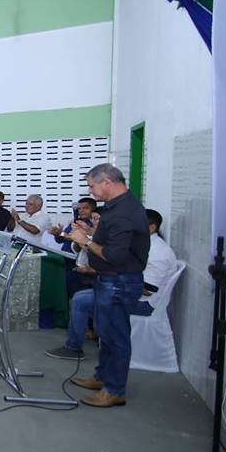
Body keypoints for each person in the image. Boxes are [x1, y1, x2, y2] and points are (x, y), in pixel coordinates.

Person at [64, 164, 149, 408]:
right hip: (109, 280)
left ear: (107, 183)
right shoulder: (117, 207)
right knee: (106, 332)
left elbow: (115, 255)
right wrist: (89, 234)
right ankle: (102, 377)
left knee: (116, 336)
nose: (90, 192)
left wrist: (86, 241)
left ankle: (114, 389)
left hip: (119, 281)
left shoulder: (125, 212)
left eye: (92, 186)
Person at [131, 209, 178, 316]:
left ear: (151, 228)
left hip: (145, 304)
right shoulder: (144, 245)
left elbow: (148, 290)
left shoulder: (158, 251)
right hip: (133, 296)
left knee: (87, 300)